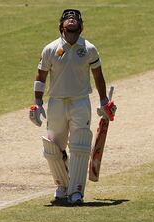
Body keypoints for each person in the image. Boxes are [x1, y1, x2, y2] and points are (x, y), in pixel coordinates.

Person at [29, 9, 116, 205]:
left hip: (80, 102)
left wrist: (104, 102)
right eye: (68, 19)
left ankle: (76, 191)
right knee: (53, 148)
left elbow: (98, 76)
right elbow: (41, 77)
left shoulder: (89, 49)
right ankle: (62, 186)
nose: (71, 20)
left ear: (80, 26)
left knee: (80, 146)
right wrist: (37, 102)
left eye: (75, 19)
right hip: (56, 103)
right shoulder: (50, 49)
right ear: (61, 26)